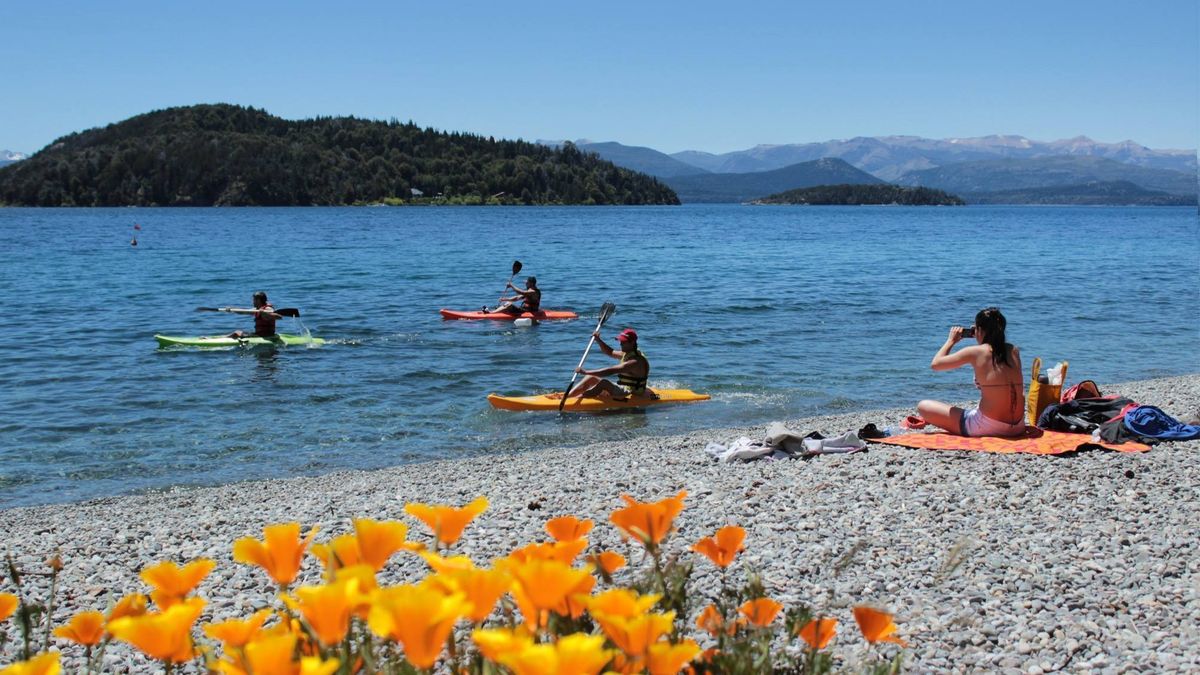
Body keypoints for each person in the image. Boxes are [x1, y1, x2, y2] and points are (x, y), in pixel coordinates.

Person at [917, 307, 1026, 437]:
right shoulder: (1013, 350)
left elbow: (936, 364)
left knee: (923, 406)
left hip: (987, 427)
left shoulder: (975, 352)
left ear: (979, 330)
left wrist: (951, 341)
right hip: (1018, 426)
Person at [567, 328, 656, 402]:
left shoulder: (635, 362)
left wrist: (585, 371)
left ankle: (576, 400)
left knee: (604, 383)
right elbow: (610, 352)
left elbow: (610, 371)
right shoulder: (628, 353)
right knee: (590, 378)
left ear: (632, 343)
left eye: (623, 342)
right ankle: (568, 396)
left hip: (631, 392)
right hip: (624, 387)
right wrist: (598, 340)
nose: (620, 343)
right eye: (620, 341)